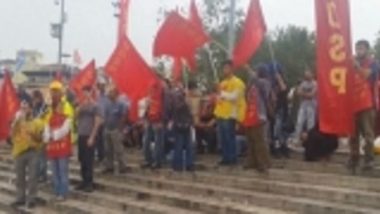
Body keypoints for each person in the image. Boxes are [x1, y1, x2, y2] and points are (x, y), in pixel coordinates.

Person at [348, 40, 380, 173]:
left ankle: (369, 160)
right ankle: (354, 159)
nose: (358, 51)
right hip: (352, 104)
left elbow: (368, 75)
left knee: (368, 134)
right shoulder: (351, 63)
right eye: (357, 48)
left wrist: (357, 67)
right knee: (353, 134)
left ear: (367, 49)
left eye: (361, 48)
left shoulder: (374, 63)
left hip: (367, 103)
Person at [43, 80, 74, 201]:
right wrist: (47, 136)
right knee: (54, 171)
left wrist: (53, 135)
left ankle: (63, 192)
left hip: (62, 145)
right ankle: (56, 191)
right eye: (52, 91)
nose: (53, 94)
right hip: (52, 147)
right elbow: (46, 124)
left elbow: (67, 127)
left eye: (56, 91)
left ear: (60, 93)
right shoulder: (49, 108)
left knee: (62, 170)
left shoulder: (67, 106)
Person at [10, 101, 45, 209]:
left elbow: (41, 139)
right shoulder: (17, 122)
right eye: (22, 107)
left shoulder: (37, 122)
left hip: (33, 152)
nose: (23, 109)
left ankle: (31, 199)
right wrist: (16, 121)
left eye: (26, 107)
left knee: (33, 177)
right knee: (20, 177)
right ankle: (20, 198)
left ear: (31, 108)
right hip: (19, 152)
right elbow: (11, 134)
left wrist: (33, 135)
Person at [214, 60, 246, 165]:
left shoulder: (238, 82)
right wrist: (218, 95)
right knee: (222, 138)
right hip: (221, 114)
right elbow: (219, 97)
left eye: (227, 68)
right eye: (224, 68)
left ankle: (232, 158)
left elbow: (234, 97)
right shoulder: (222, 83)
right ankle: (225, 158)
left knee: (229, 137)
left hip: (230, 114)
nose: (224, 70)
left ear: (232, 69)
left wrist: (221, 93)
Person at [242, 66, 271, 173]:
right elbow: (245, 94)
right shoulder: (252, 84)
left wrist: (252, 75)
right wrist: (250, 83)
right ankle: (252, 161)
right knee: (250, 140)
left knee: (259, 140)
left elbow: (265, 91)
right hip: (250, 114)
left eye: (257, 71)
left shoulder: (265, 82)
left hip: (259, 114)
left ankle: (263, 163)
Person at [75, 86, 102, 192]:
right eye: (84, 92)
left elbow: (97, 122)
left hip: (89, 135)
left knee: (89, 159)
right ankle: (83, 181)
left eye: (87, 92)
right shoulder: (81, 105)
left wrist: (92, 136)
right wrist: (80, 106)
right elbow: (75, 116)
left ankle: (89, 182)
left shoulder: (96, 106)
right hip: (81, 134)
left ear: (91, 93)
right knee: (81, 159)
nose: (85, 94)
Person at [168, 82, 195, 171]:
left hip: (187, 124)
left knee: (189, 146)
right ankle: (177, 165)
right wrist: (185, 102)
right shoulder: (175, 95)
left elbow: (190, 113)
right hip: (178, 124)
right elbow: (176, 108)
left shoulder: (187, 96)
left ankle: (189, 164)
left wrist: (191, 122)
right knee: (178, 146)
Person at [102, 87, 129, 174]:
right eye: (109, 92)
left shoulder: (121, 104)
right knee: (108, 149)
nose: (109, 94)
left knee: (119, 149)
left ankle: (123, 166)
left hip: (116, 130)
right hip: (107, 129)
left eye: (111, 92)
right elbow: (105, 115)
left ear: (116, 93)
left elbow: (124, 115)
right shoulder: (107, 104)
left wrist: (120, 128)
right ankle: (109, 167)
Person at [141, 81, 166, 169]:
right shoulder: (162, 89)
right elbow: (165, 106)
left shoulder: (150, 88)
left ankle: (148, 160)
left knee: (147, 140)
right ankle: (156, 161)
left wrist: (144, 117)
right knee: (157, 141)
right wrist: (163, 120)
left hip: (151, 118)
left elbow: (145, 105)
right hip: (156, 119)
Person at [294, 70, 317, 145]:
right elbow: (298, 92)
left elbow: (312, 95)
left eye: (308, 74)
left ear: (312, 74)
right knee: (299, 122)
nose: (307, 75)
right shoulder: (303, 83)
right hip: (303, 105)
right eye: (306, 74)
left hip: (311, 106)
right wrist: (306, 94)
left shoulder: (315, 83)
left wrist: (303, 93)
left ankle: (311, 140)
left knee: (311, 124)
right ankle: (297, 139)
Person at [31, 90, 48, 183]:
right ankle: (37, 174)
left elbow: (45, 119)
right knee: (36, 157)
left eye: (35, 98)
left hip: (43, 134)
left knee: (42, 157)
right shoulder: (34, 107)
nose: (34, 100)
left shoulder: (45, 107)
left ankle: (43, 175)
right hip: (35, 135)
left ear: (39, 97)